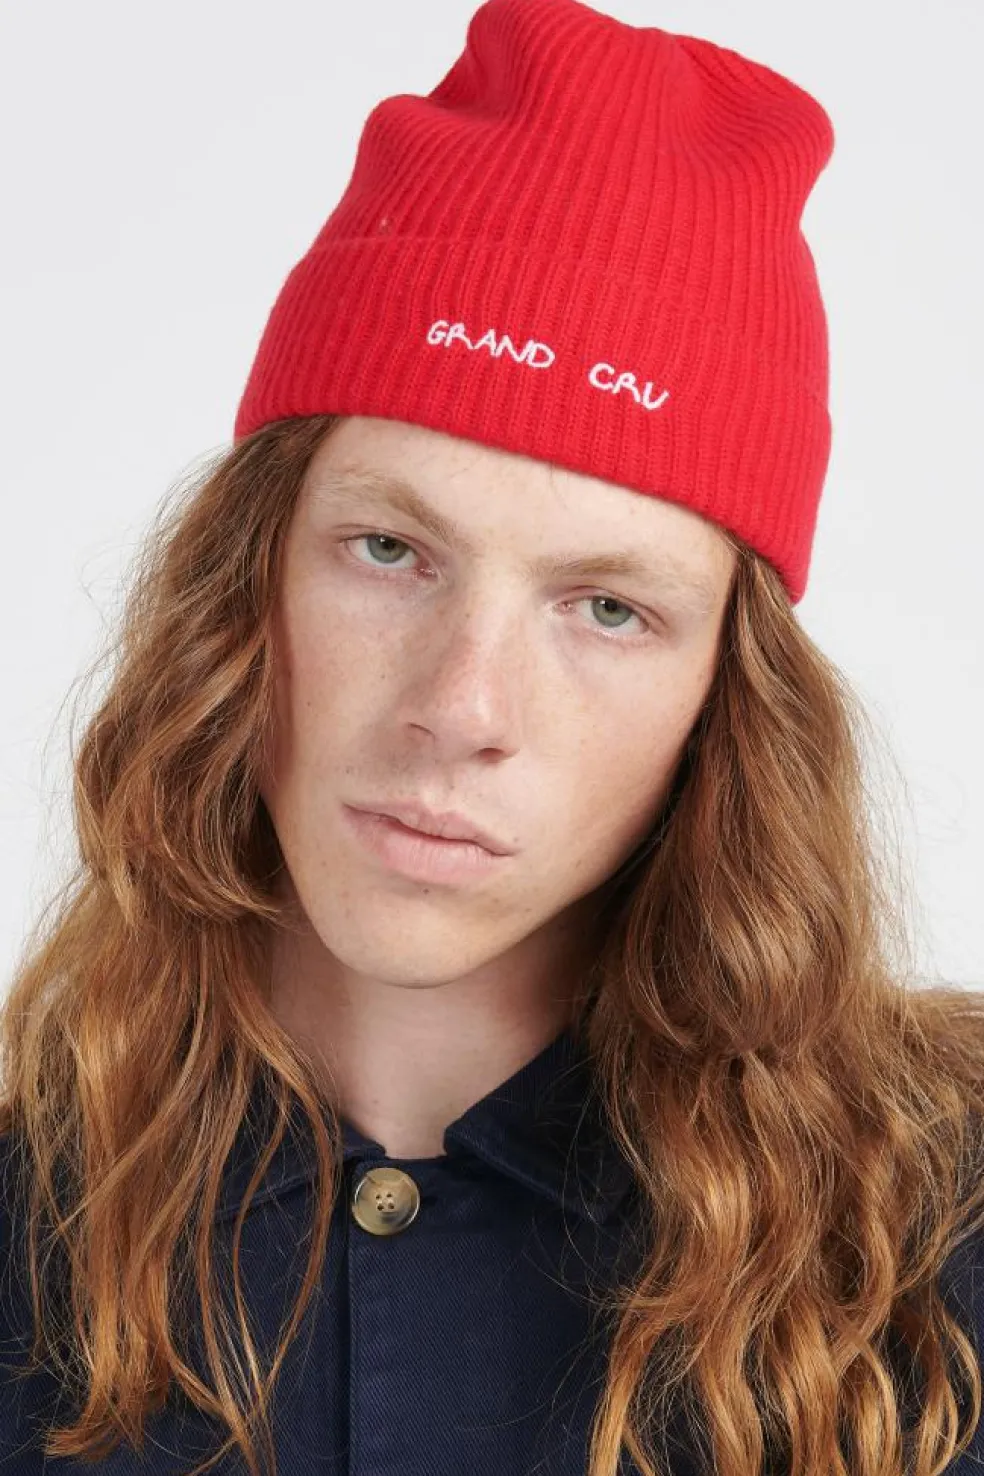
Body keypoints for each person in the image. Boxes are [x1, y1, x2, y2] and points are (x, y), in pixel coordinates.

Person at [2, 0, 984, 1472]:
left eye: (609, 609)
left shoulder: (940, 1245)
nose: (462, 708)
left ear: (728, 695)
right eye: (390, 550)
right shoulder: (27, 1216)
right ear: (241, 584)